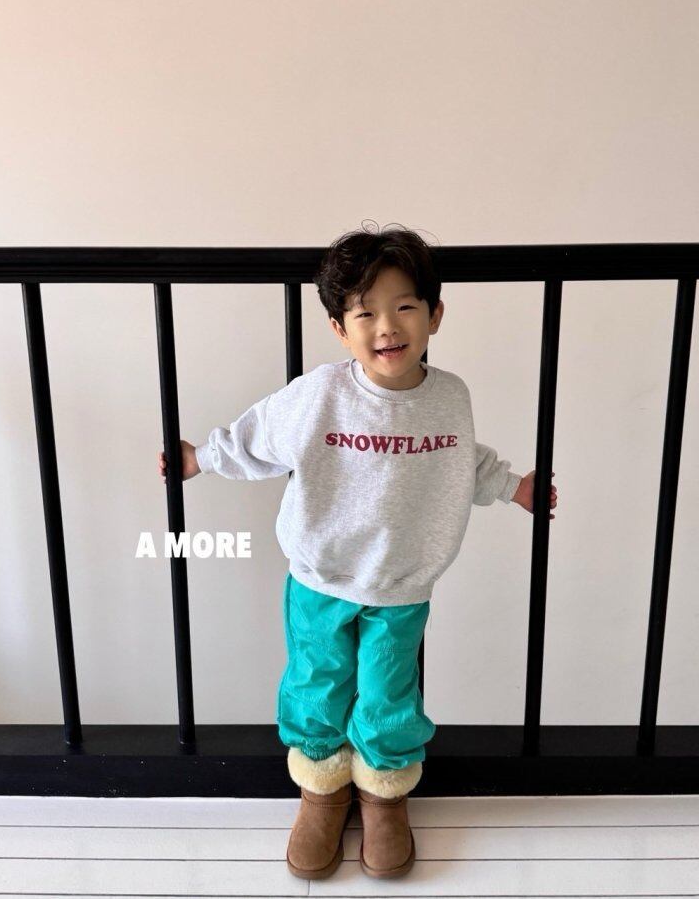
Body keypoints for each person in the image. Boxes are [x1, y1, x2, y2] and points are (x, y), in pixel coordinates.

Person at [157, 224, 559, 881]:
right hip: (320, 576)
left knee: (387, 694)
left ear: (434, 314)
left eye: (404, 307)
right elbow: (261, 436)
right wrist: (200, 457)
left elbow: (467, 462)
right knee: (317, 684)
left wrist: (515, 486)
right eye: (365, 313)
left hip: (402, 584)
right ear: (340, 329)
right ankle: (321, 790)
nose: (387, 327)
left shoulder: (449, 397)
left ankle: (383, 795)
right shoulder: (321, 394)